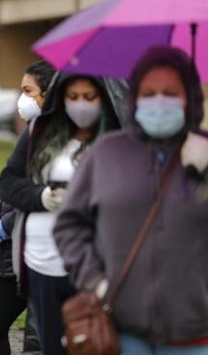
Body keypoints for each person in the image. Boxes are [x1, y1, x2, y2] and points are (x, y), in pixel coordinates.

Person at [54, 47, 208, 354]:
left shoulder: (204, 152)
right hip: (118, 327)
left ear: (189, 97)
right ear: (134, 97)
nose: (158, 101)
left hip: (195, 331)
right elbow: (69, 226)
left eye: (170, 92)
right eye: (148, 93)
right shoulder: (105, 153)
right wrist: (94, 280)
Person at [0, 71, 123, 354]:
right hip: (42, 264)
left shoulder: (116, 139)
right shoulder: (40, 132)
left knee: (94, 343)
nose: (81, 105)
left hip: (94, 265)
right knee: (51, 346)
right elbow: (9, 182)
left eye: (89, 97)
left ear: (102, 99)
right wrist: (43, 197)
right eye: (73, 97)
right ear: (61, 97)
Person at [0, 60, 55, 355]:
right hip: (12, 252)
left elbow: (45, 197)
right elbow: (8, 186)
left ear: (46, 95)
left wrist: (6, 226)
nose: (21, 99)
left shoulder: (54, 140)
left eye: (27, 90)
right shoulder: (31, 134)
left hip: (35, 250)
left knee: (35, 339)